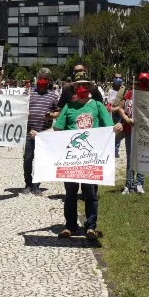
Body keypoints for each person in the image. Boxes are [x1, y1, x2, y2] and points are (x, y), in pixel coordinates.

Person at [53, 72, 123, 240]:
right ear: (74, 88)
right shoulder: (69, 107)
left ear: (90, 87)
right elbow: (57, 129)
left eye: (85, 84)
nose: (81, 88)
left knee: (90, 193)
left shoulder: (98, 106)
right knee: (70, 193)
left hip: (91, 158)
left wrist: (116, 128)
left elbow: (109, 128)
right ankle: (70, 226)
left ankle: (90, 227)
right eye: (78, 85)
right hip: (72, 160)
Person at [23, 68, 59, 195]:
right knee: (28, 158)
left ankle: (36, 185)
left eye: (45, 78)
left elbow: (58, 112)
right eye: (41, 77)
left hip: (44, 134)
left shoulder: (53, 95)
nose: (43, 80)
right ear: (37, 78)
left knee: (40, 159)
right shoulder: (28, 92)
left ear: (49, 80)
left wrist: (51, 116)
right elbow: (20, 106)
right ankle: (28, 183)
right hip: (29, 131)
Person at [118, 72, 149, 194]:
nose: (143, 84)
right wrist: (126, 119)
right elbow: (120, 108)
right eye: (141, 81)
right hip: (129, 131)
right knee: (130, 158)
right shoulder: (130, 93)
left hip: (143, 133)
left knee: (141, 158)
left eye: (146, 82)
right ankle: (129, 184)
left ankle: (140, 184)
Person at [108, 72, 127, 158]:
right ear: (113, 78)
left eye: (120, 78)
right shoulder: (109, 87)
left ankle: (115, 150)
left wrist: (117, 108)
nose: (118, 79)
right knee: (110, 131)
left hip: (119, 112)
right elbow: (106, 98)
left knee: (118, 132)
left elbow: (124, 100)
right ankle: (109, 149)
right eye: (116, 77)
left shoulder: (124, 89)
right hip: (109, 112)